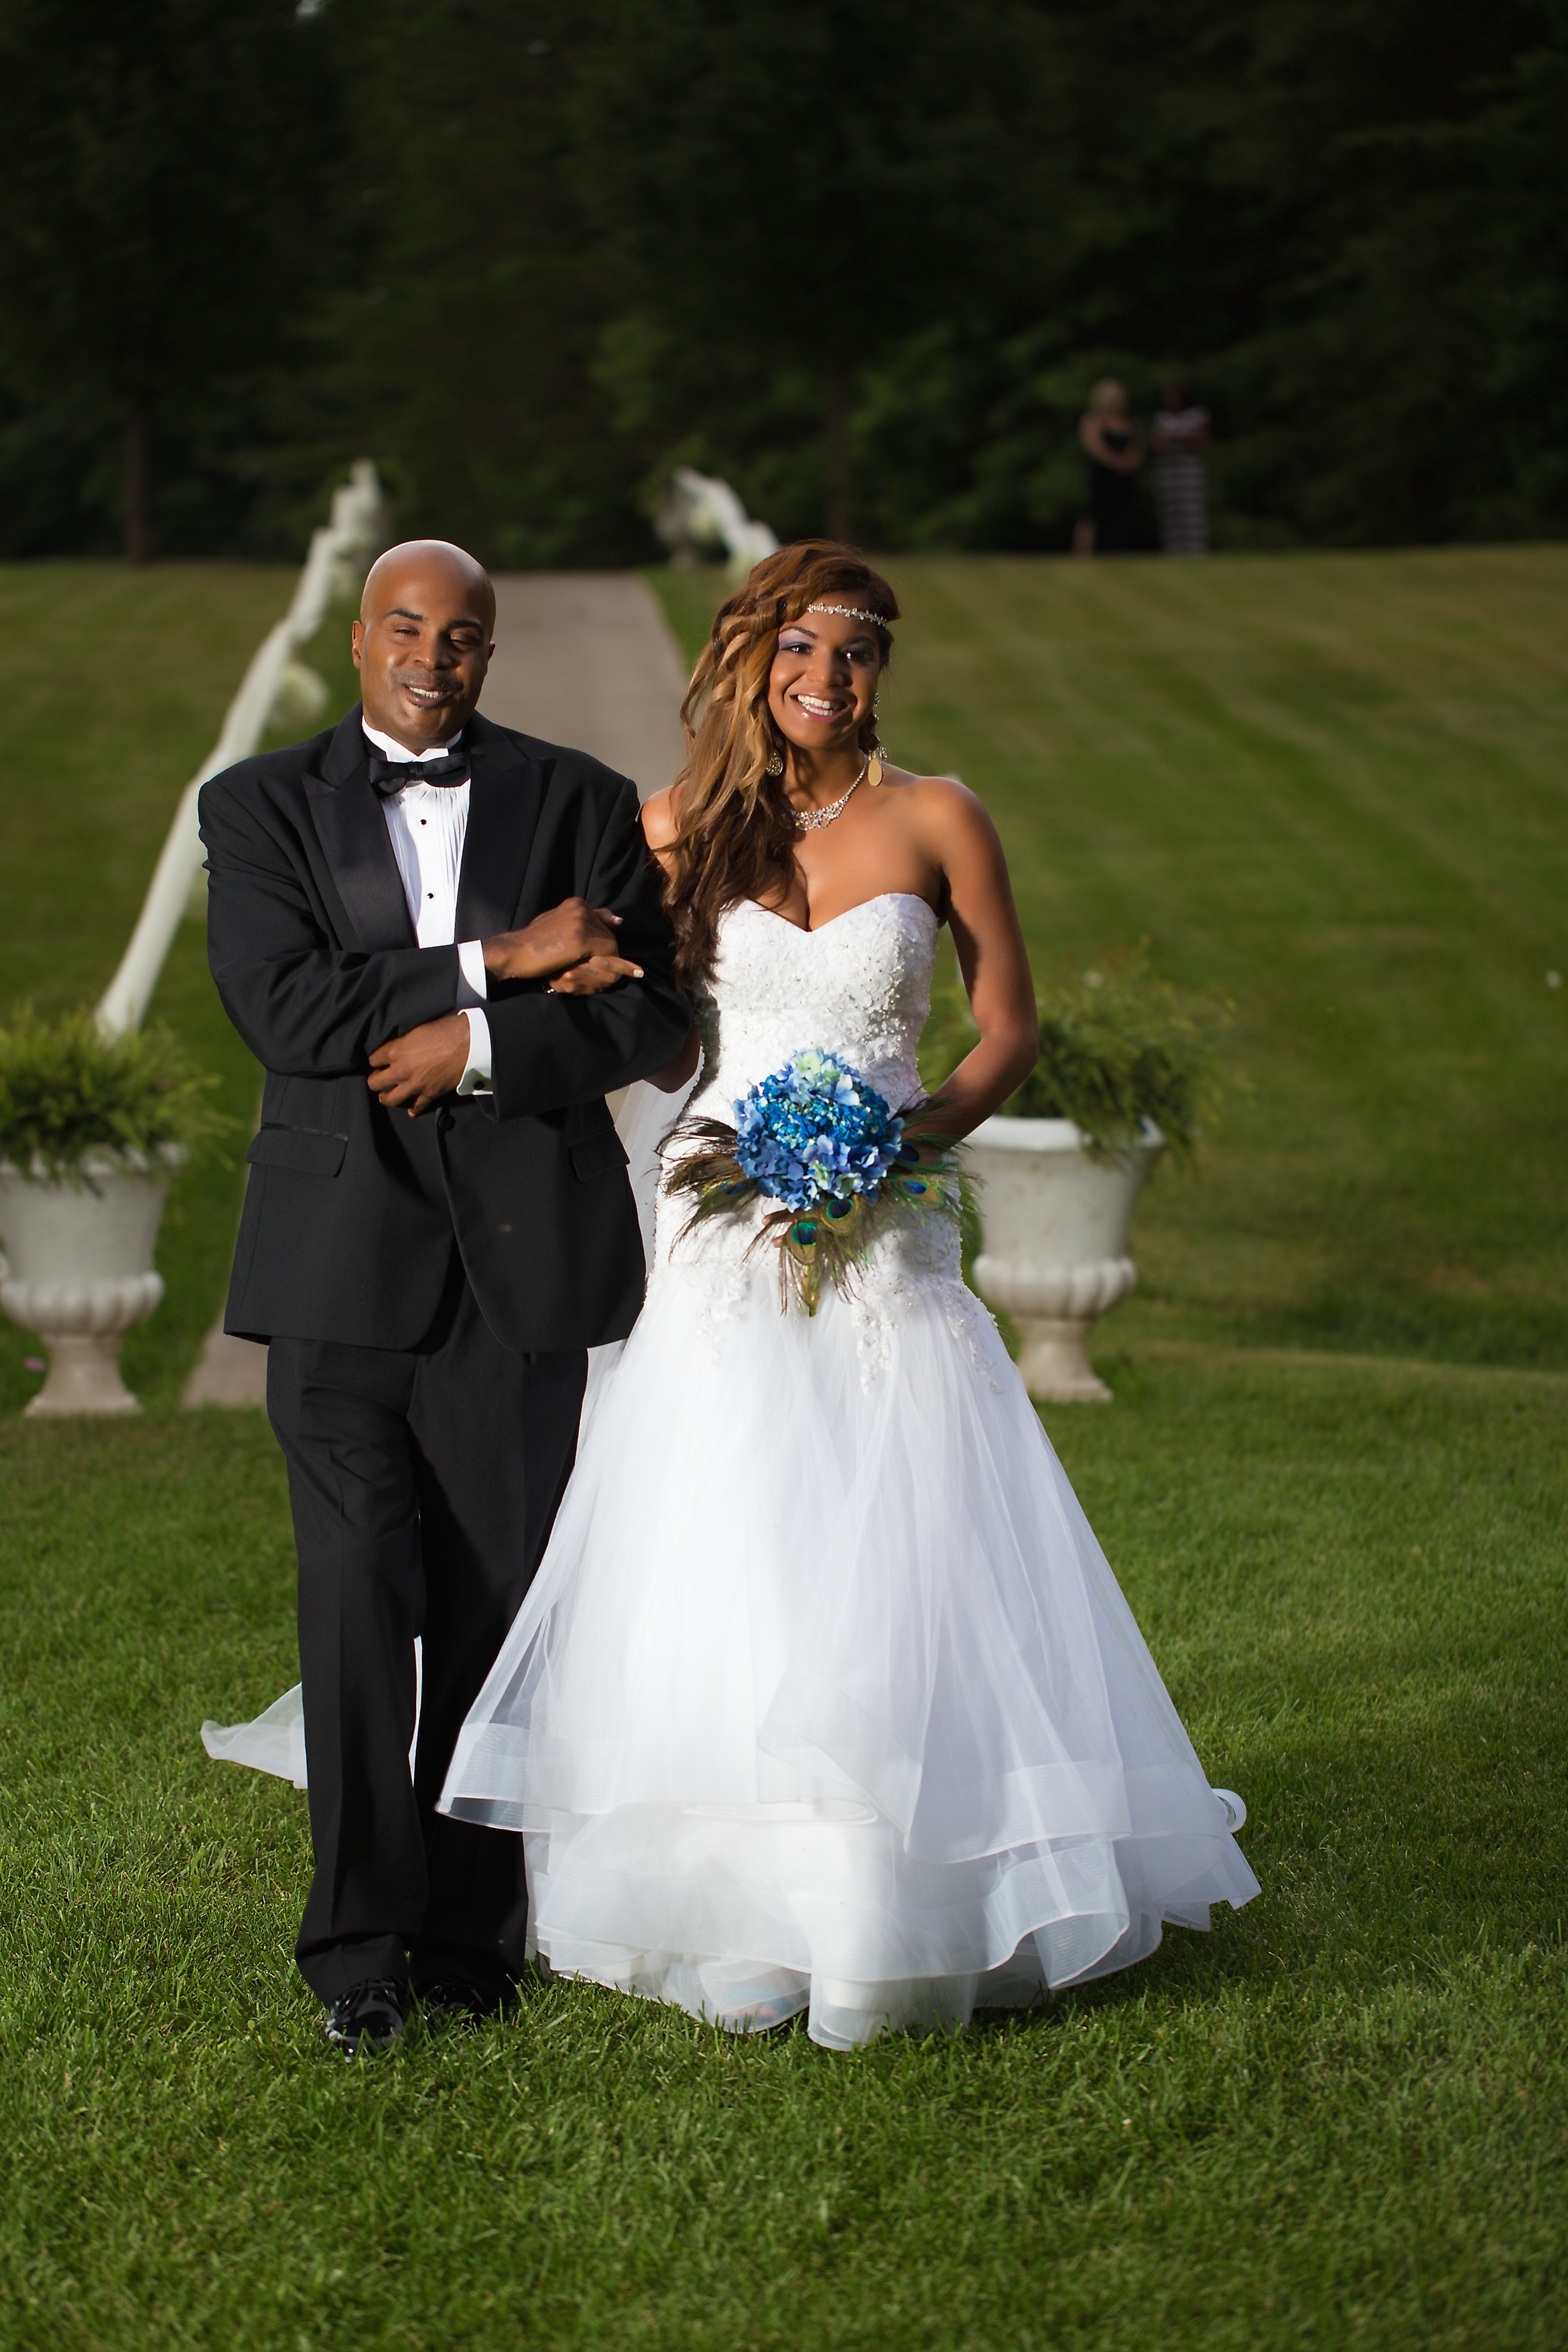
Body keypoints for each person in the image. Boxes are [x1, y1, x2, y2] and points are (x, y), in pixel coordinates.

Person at [437, 541, 1259, 2050]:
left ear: (884, 667)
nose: (828, 676)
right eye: (799, 648)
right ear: (751, 656)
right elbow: (608, 998)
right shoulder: (669, 827)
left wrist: (901, 1141)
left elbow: (1007, 1022)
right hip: (717, 1227)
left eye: (858, 651)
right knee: (738, 1528)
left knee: (908, 1521)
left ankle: (903, 1891)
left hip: (886, 1230)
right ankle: (736, 1899)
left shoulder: (937, 817)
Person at [197, 538, 690, 2056]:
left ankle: (470, 1932)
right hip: (336, 1269)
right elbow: (284, 1011)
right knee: (356, 1605)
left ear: (489, 653)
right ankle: (354, 1950)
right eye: (407, 627)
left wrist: (475, 1044)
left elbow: (654, 1020)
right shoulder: (258, 804)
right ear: (358, 642)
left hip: (519, 1269)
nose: (435, 655)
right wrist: (507, 959)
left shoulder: (579, 802)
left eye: (464, 635)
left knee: (491, 1608)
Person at [1073, 379, 1144, 556]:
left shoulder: (1130, 424)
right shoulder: (1093, 421)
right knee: (1094, 517)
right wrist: (1117, 463)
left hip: (1125, 478)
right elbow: (1095, 447)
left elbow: (1138, 448)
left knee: (1124, 516)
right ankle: (1085, 555)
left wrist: (1129, 463)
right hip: (1103, 476)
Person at [1153, 381, 1212, 555]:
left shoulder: (1197, 416)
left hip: (1189, 471)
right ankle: (1173, 551)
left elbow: (1203, 442)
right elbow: (1156, 443)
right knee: (1171, 514)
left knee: (1192, 513)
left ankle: (1196, 551)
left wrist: (1178, 437)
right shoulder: (1163, 418)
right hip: (1168, 471)